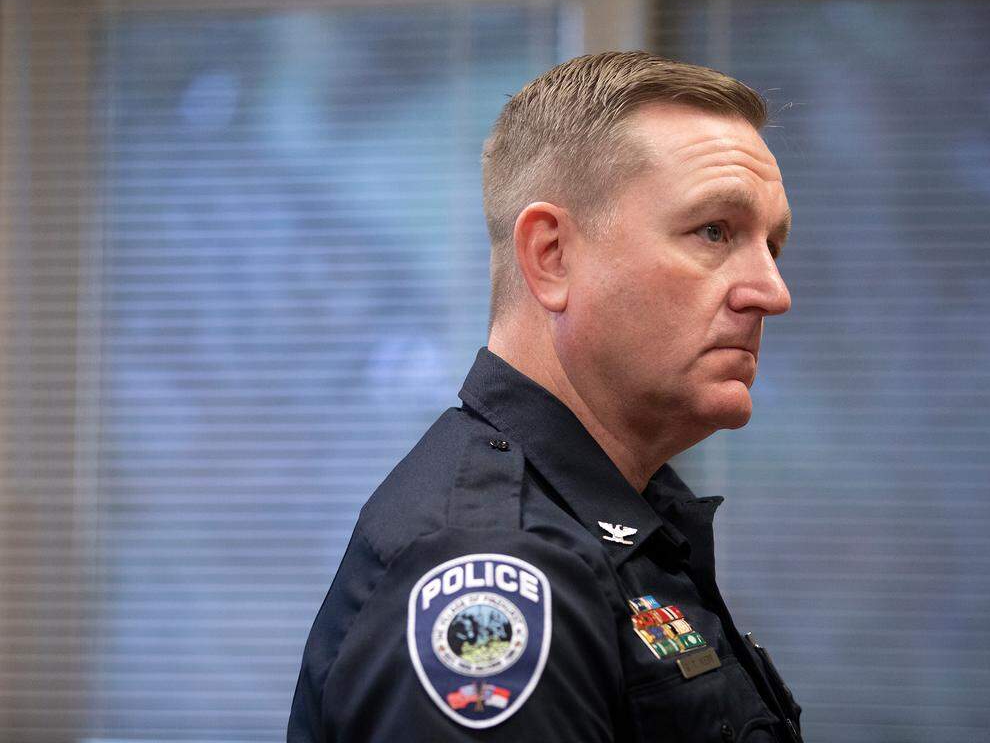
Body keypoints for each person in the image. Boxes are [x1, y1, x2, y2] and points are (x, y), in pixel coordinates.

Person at [287, 50, 802, 743]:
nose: (771, 291)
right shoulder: (497, 565)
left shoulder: (620, 517)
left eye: (772, 246)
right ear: (551, 256)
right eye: (714, 231)